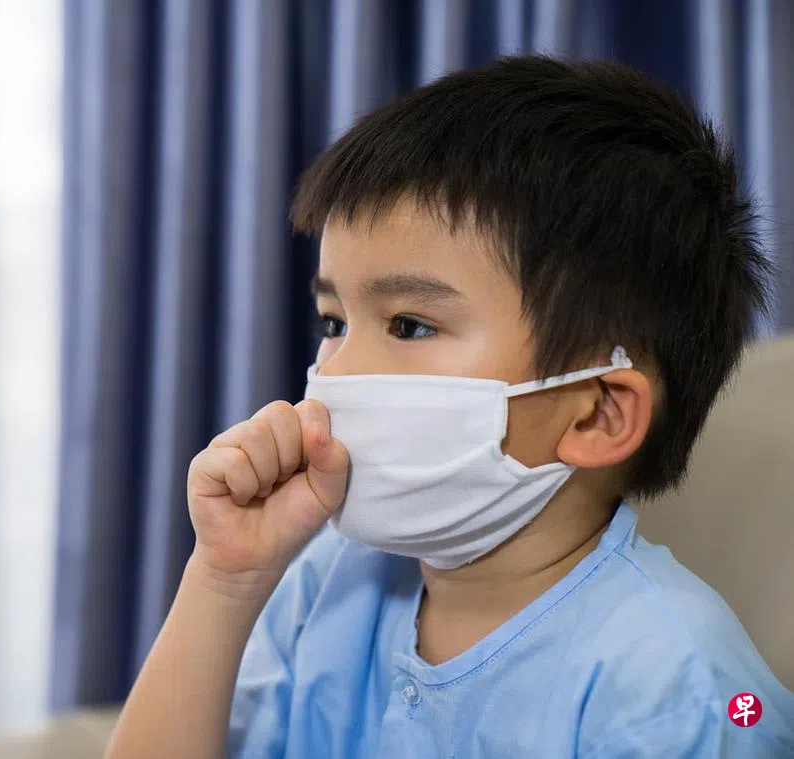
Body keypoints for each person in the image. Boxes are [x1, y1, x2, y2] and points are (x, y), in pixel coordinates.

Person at [104, 56, 794, 758]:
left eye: (409, 325)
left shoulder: (681, 694)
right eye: (334, 321)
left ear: (597, 414)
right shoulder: (330, 580)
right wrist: (225, 579)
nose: (335, 370)